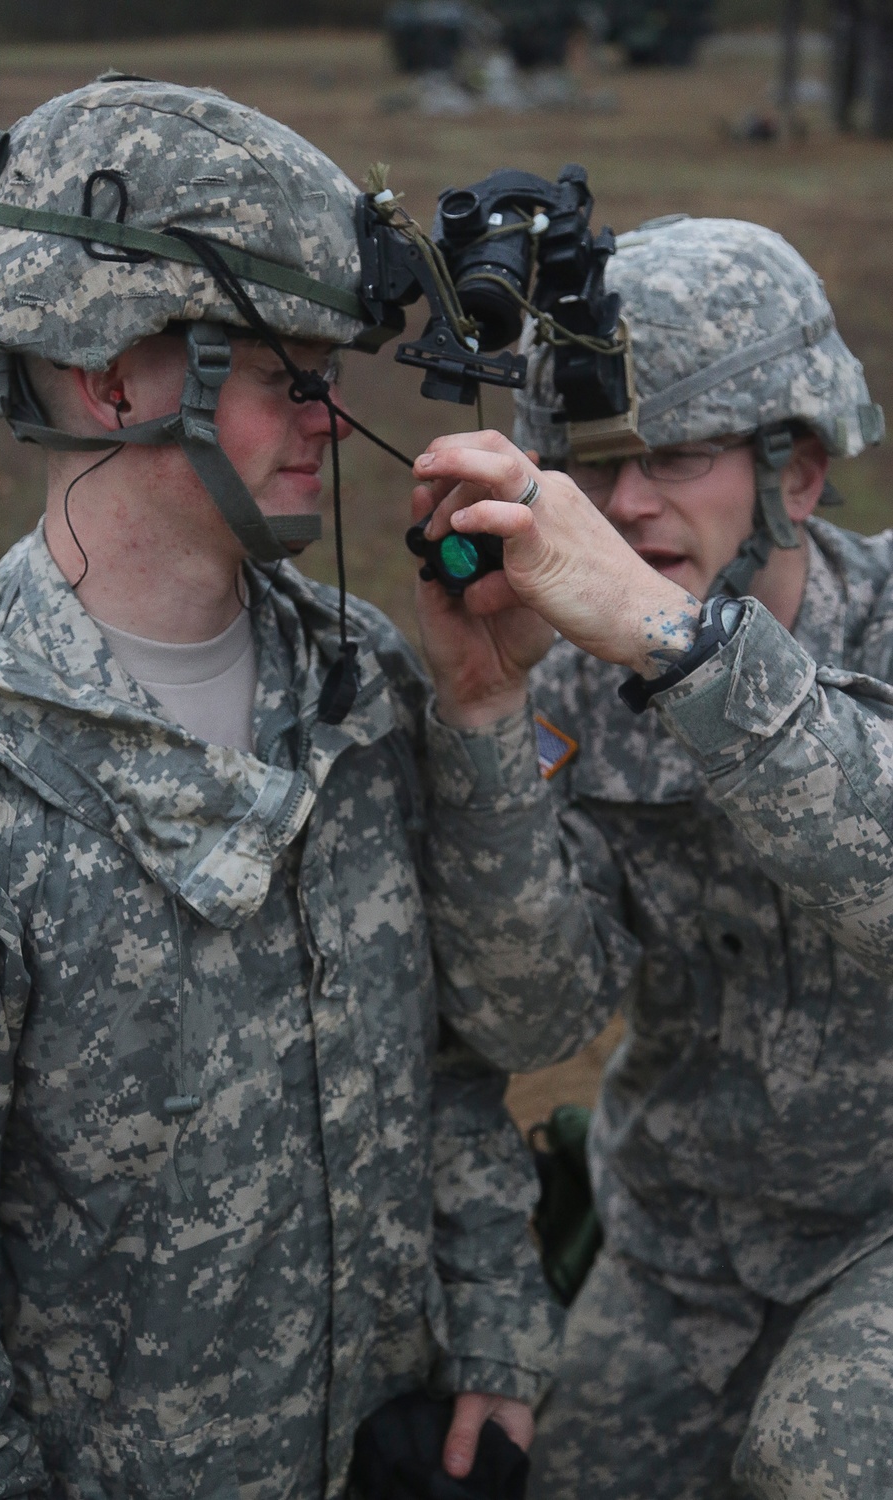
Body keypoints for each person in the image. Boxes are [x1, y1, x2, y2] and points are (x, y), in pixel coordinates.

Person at [0, 77, 576, 1498]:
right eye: (291, 376)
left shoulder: (363, 680)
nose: (334, 418)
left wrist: (498, 1328)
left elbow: (469, 1054)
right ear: (113, 378)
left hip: (391, 1440)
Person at [412, 216, 893, 1497]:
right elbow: (533, 1015)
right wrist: (483, 717)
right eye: (595, 465)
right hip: (684, 1239)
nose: (627, 507)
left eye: (674, 456)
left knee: (825, 1465)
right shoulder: (571, 674)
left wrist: (681, 648)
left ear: (793, 472)